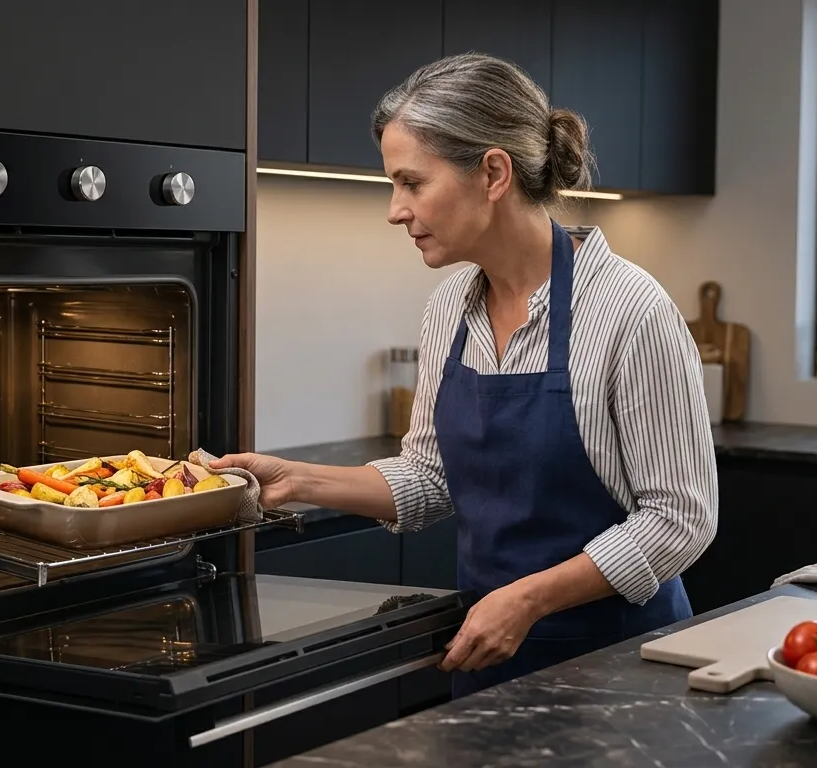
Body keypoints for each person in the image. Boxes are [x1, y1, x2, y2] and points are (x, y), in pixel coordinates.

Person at [212, 53, 718, 697]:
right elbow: (430, 478)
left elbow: (681, 518)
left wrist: (528, 600)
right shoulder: (450, 308)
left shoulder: (629, 309)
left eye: (411, 182)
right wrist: (298, 479)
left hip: (617, 662)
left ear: (493, 173)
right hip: (489, 653)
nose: (396, 209)